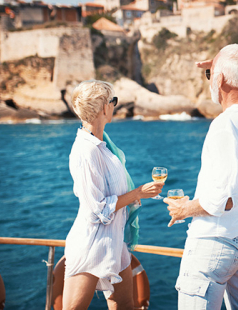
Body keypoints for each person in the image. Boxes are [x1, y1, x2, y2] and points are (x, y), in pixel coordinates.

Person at [163, 44, 238, 310]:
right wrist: (225, 62)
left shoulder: (226, 125)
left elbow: (225, 200)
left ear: (221, 78)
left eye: (211, 75)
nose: (210, 80)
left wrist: (184, 209)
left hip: (216, 242)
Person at [63, 80, 164, 310]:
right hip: (91, 244)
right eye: (113, 101)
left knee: (125, 305)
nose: (115, 106)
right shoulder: (85, 151)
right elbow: (96, 210)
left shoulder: (104, 145)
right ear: (103, 107)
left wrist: (136, 195)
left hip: (115, 241)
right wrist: (138, 193)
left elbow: (114, 194)